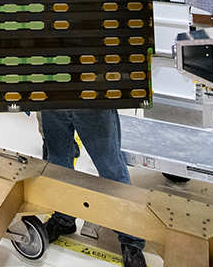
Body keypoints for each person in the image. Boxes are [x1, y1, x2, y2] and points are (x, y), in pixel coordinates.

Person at [40, 108, 147, 267]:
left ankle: (131, 239)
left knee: (111, 169)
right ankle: (64, 217)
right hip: (53, 101)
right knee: (58, 165)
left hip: (92, 103)